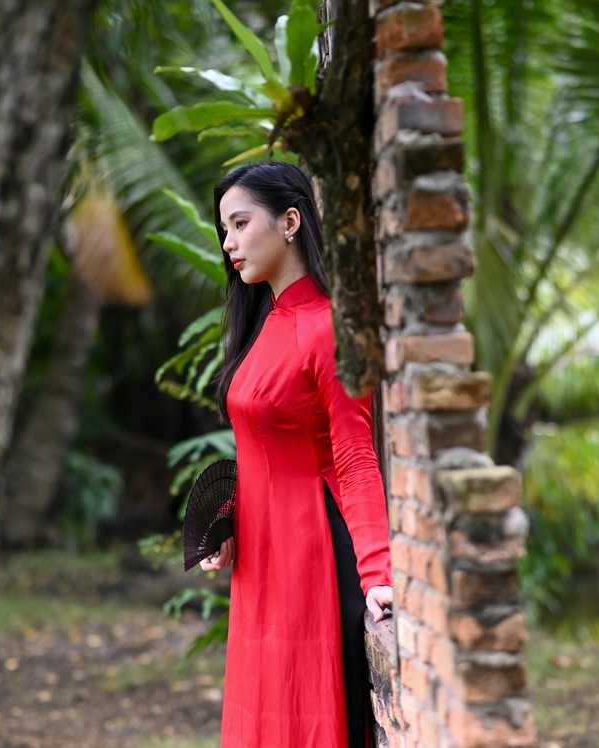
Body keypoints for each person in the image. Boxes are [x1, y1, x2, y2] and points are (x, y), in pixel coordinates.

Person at [198, 159, 394, 747]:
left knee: (304, 715)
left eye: (238, 224)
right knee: (262, 716)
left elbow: (354, 455)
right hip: (260, 562)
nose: (229, 243)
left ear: (289, 221)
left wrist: (378, 573)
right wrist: (227, 517)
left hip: (309, 554)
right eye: (223, 230)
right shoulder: (266, 324)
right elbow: (263, 442)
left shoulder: (327, 328)